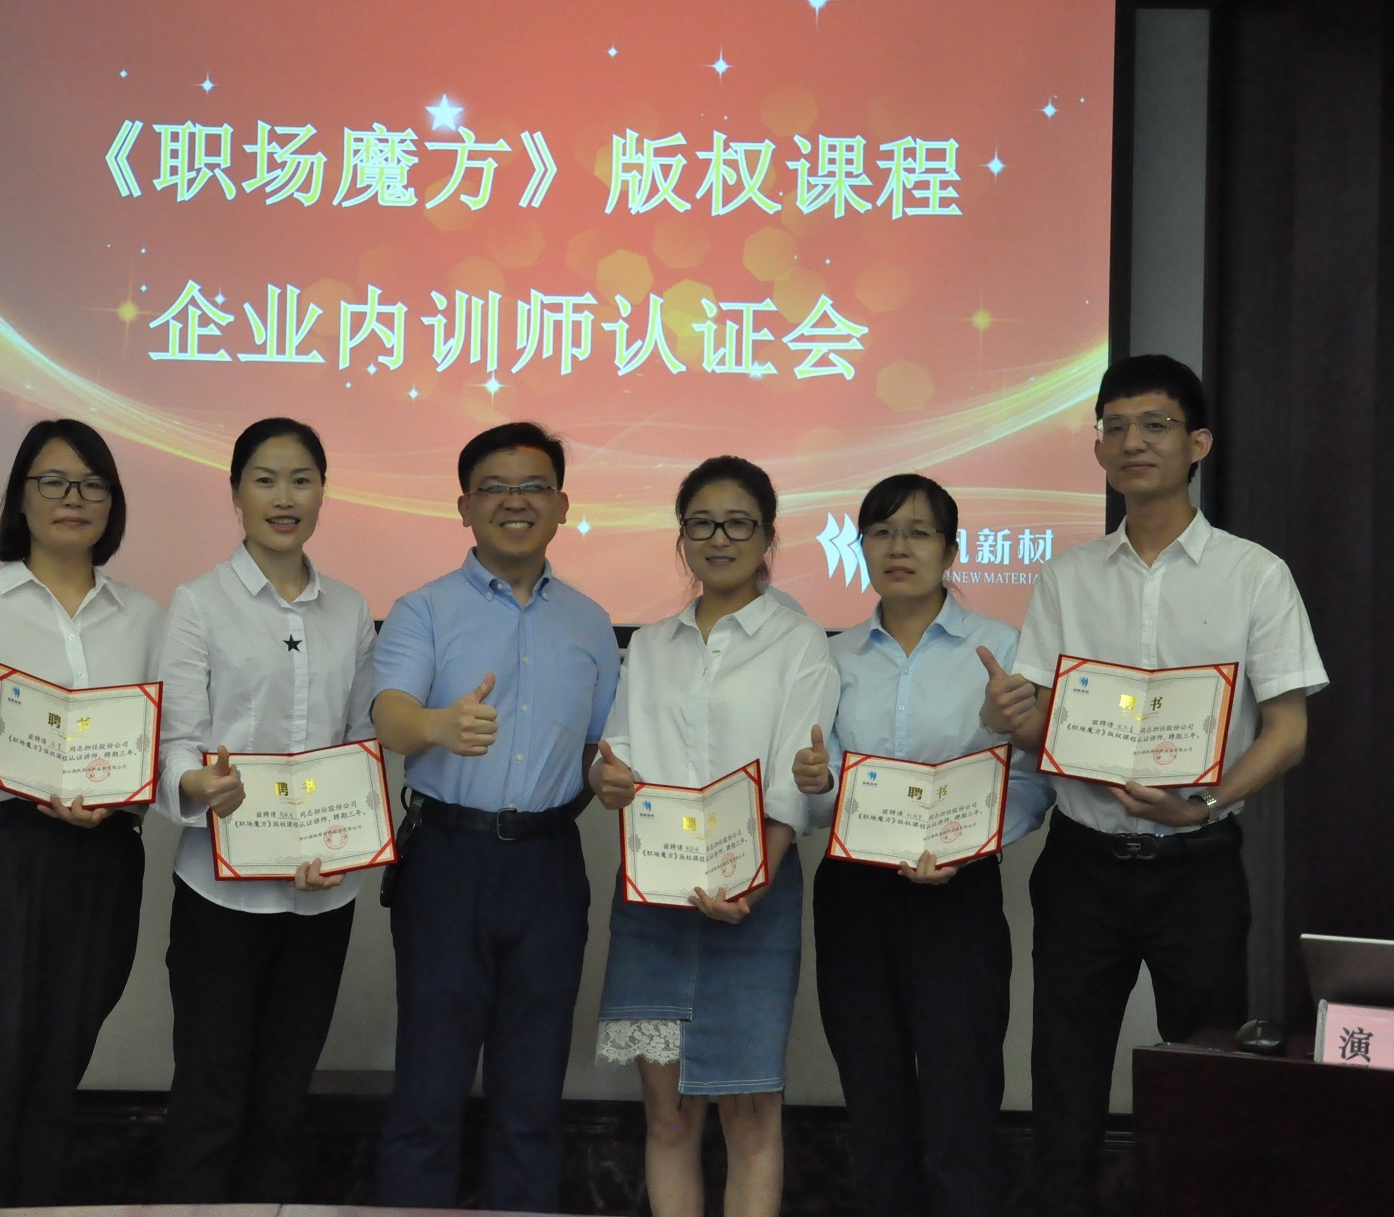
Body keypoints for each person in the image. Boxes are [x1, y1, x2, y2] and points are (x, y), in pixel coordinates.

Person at [978, 355, 1328, 1217]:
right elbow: (1045, 727)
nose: (1132, 441)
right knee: (1065, 1082)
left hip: (1197, 866)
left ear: (1197, 443)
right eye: (1115, 426)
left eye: (1155, 425)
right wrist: (1009, 716)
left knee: (1207, 1087)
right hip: (1083, 865)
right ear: (1098, 446)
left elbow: (1288, 732)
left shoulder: (1254, 574)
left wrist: (1201, 803)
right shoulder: (1066, 576)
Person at [0, 419, 165, 1208]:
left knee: (57, 1077)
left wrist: (122, 796)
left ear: (112, 504)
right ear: (21, 497)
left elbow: (161, 750)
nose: (72, 498)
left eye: (92, 484)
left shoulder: (147, 618)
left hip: (103, 858)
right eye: (52, 481)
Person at [370, 421, 620, 1214]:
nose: (516, 502)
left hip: (549, 865)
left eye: (534, 487)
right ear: (465, 507)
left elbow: (599, 751)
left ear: (562, 505)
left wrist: (613, 779)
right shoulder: (424, 609)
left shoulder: (590, 621)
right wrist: (438, 725)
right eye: (496, 488)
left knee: (532, 1093)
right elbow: (389, 715)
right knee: (429, 1086)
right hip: (448, 860)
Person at [792, 473, 1053, 1217]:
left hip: (958, 895)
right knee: (873, 1100)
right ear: (861, 547)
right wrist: (815, 782)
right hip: (855, 895)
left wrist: (974, 844)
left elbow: (1034, 779)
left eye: (918, 532)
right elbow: (818, 797)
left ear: (952, 548)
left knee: (960, 1103)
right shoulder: (830, 657)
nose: (898, 547)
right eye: (881, 532)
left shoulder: (1003, 649)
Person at [591, 456, 838, 1217]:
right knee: (668, 1118)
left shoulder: (799, 641)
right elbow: (616, 755)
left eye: (738, 524)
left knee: (749, 1115)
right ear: (682, 537)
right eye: (702, 523)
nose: (719, 539)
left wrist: (753, 884)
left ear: (767, 536)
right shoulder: (650, 645)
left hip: (756, 894)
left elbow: (790, 785)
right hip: (654, 900)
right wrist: (607, 780)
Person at [152, 418, 377, 1202]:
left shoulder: (350, 609)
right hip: (220, 893)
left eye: (302, 480)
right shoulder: (198, 603)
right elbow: (174, 744)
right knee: (209, 1096)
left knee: (284, 1101)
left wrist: (342, 847)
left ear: (322, 492)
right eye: (266, 479)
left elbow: (359, 743)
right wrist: (197, 785)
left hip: (321, 895)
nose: (285, 498)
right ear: (237, 493)